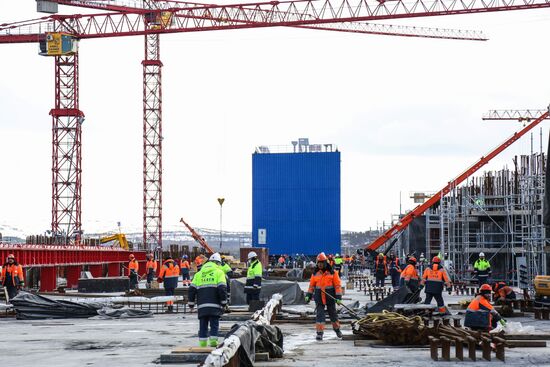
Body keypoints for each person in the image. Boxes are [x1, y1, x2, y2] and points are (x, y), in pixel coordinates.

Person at [188, 253, 227, 347]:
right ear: (218, 263)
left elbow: (191, 290)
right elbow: (222, 288)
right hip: (215, 305)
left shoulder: (199, 274)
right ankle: (213, 343)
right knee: (214, 323)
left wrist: (191, 304)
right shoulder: (219, 273)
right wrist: (224, 303)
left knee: (203, 324)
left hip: (202, 306)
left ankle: (202, 344)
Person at [305, 252, 343, 341]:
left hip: (330, 297)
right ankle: (319, 333)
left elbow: (337, 286)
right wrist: (308, 296)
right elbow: (311, 286)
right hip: (319, 297)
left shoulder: (333, 273)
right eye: (319, 263)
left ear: (325, 263)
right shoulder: (315, 274)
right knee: (320, 316)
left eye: (322, 263)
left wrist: (338, 298)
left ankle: (337, 330)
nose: (320, 264)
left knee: (333, 315)